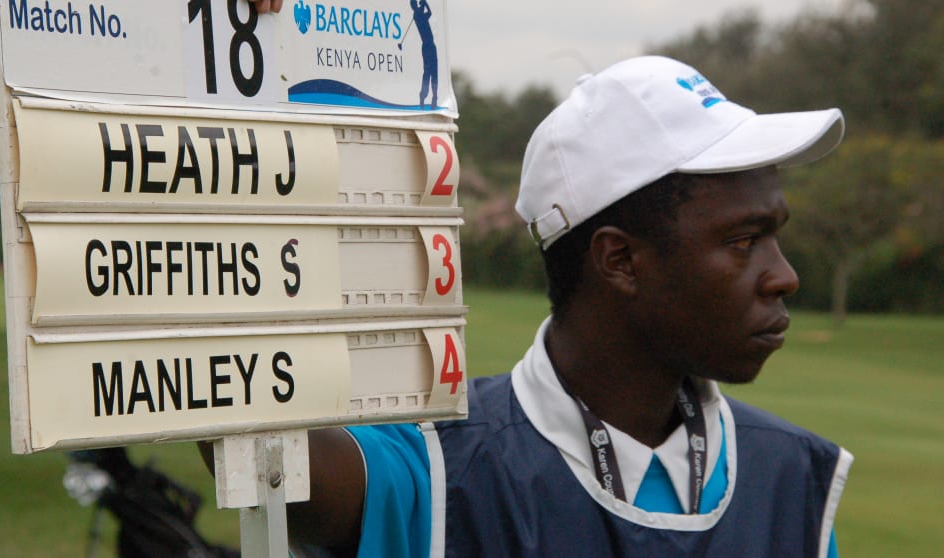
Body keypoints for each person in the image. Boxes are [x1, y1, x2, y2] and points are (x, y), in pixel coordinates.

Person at [207, 14, 853, 553]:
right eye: (742, 241)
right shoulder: (434, 472)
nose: (784, 276)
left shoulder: (793, 478)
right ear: (619, 261)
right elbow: (248, 433)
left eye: (773, 236)